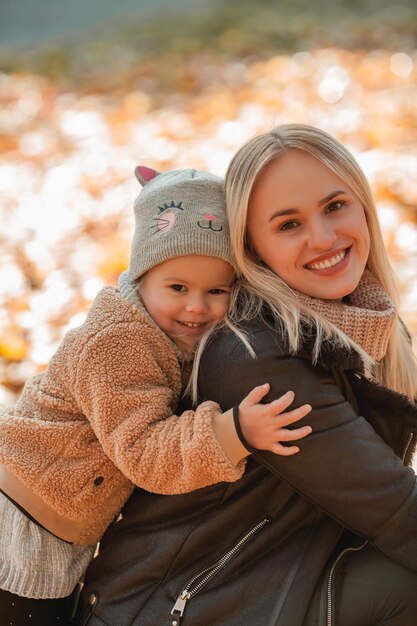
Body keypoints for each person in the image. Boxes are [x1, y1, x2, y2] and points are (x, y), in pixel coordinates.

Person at [75, 125, 417, 626]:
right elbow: (393, 508)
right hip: (164, 609)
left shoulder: (359, 319)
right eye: (287, 225)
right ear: (251, 250)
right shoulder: (252, 355)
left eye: (336, 206)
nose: (322, 237)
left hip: (270, 581)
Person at [0, 165, 312, 626]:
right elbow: (145, 450)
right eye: (178, 287)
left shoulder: (167, 333)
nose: (196, 306)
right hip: (24, 521)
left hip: (61, 525)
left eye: (217, 290)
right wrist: (234, 431)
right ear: (141, 278)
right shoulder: (117, 341)